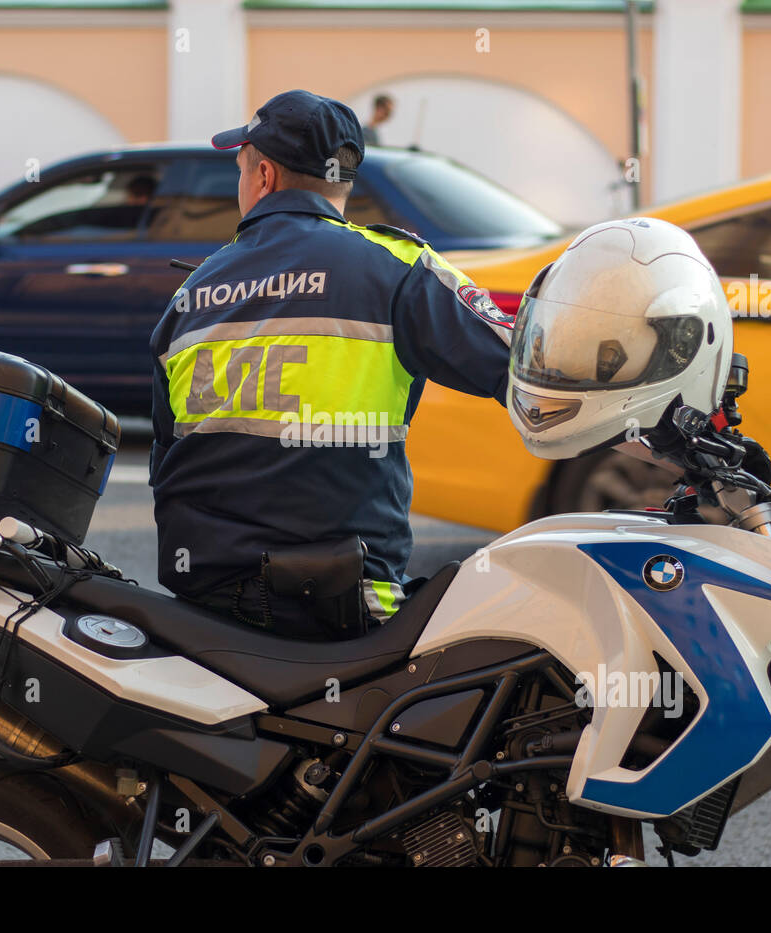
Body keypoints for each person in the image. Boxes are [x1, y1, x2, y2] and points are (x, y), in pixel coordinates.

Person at [148, 89, 514, 641]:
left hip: (203, 599)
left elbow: (164, 455)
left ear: (264, 177)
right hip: (343, 601)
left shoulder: (192, 293)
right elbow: (528, 369)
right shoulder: (396, 268)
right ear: (344, 181)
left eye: (240, 171)